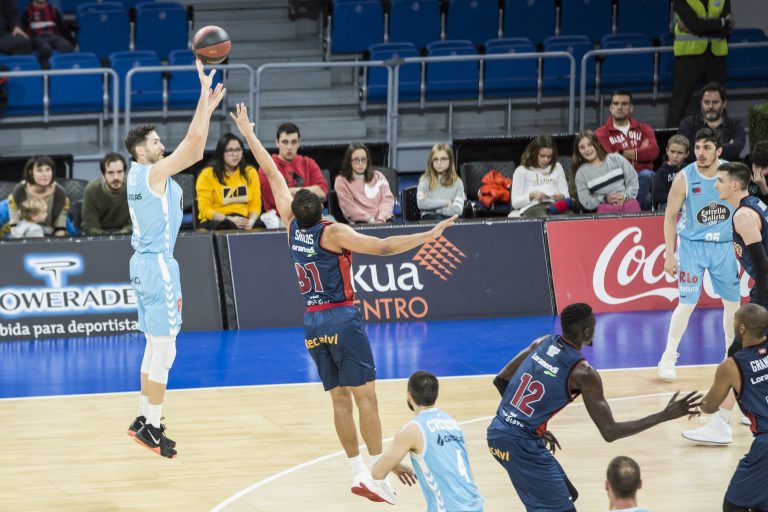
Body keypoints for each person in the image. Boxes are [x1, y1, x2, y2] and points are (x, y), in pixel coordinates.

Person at [230, 102, 456, 500]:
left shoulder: (288, 225)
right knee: (365, 395)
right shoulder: (331, 232)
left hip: (312, 322)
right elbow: (384, 248)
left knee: (339, 400)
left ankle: (357, 470)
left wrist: (249, 133)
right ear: (322, 212)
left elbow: (271, 172)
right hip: (340, 317)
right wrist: (429, 235)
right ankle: (377, 474)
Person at [487, 302, 700, 512]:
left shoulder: (542, 343)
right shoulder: (584, 373)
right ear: (587, 330)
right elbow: (610, 432)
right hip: (521, 444)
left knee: (568, 493)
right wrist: (664, 415)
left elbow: (501, 381)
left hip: (497, 431)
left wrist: (527, 422)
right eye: (594, 327)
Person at [124, 59, 224, 459]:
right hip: (158, 265)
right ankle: (151, 424)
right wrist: (204, 99)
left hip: (142, 264)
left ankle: (144, 419)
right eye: (154, 141)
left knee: (152, 346)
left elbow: (187, 146)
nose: (160, 144)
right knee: (166, 350)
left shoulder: (141, 175)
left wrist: (206, 106)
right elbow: (196, 147)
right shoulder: (151, 174)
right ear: (139, 150)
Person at [656, 128, 743, 445]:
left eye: (707, 147)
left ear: (719, 150)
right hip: (692, 247)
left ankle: (729, 357)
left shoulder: (730, 174)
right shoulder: (684, 177)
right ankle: (668, 357)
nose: (701, 152)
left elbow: (740, 208)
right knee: (687, 303)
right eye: (697, 147)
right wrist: (669, 252)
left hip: (722, 248)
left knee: (733, 307)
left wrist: (741, 243)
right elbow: (669, 215)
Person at [364, 370, 484, 509]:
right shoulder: (452, 423)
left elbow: (377, 472)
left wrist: (394, 465)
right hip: (475, 504)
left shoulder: (412, 429)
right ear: (436, 395)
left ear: (409, 396)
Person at [695, 303, 768, 512]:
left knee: (735, 504)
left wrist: (695, 404)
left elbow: (709, 406)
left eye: (734, 319)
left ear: (742, 328)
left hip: (766, 443)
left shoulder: (731, 366)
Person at [666, 0, 732, 128]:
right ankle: (667, 143)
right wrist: (720, 23)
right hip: (689, 57)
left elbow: (727, 27)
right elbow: (694, 24)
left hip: (716, 57)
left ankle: (721, 142)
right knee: (678, 105)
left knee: (718, 103)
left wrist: (699, 26)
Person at [595, 91, 660, 211]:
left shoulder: (644, 129)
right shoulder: (601, 133)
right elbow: (609, 160)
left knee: (645, 176)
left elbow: (653, 152)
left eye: (624, 104)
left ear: (631, 108)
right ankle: (636, 214)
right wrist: (639, 152)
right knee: (648, 198)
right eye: (616, 103)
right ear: (610, 108)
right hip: (618, 180)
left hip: (644, 177)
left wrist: (620, 152)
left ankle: (632, 212)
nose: (620, 107)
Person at [259, 122, 328, 228]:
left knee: (333, 226)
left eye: (293, 142)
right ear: (277, 143)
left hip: (311, 218)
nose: (289, 147)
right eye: (285, 142)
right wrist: (308, 193)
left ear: (299, 142)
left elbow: (322, 191)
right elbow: (274, 198)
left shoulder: (308, 163)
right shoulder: (267, 166)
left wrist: (291, 191)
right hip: (281, 218)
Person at [195, 132, 261, 231]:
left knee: (263, 225)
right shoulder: (207, 174)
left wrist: (251, 221)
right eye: (230, 150)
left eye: (238, 150)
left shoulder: (250, 172)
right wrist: (229, 219)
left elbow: (255, 204)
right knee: (228, 226)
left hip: (243, 218)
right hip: (218, 219)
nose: (235, 154)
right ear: (221, 153)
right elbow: (204, 210)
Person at [572, 131, 640, 214]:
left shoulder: (616, 158)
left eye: (590, 145)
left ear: (597, 143)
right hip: (604, 210)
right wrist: (604, 199)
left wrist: (625, 196)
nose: (587, 149)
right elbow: (586, 201)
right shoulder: (581, 174)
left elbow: (633, 180)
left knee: (633, 205)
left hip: (627, 203)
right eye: (582, 147)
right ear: (578, 151)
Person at [678, 82, 745, 164]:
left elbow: (735, 150)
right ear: (701, 103)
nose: (710, 106)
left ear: (724, 104)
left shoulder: (735, 125)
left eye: (715, 102)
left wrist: (701, 149)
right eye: (706, 102)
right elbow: (688, 153)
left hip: (727, 173)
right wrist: (725, 146)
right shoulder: (687, 124)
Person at [510, 134, 572, 217]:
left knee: (571, 217)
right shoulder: (521, 171)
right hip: (532, 207)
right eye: (542, 156)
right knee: (546, 218)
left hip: (554, 206)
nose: (546, 160)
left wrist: (560, 196)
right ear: (534, 153)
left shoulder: (557, 167)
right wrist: (531, 195)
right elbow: (515, 203)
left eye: (549, 157)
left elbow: (566, 195)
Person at [333, 142, 394, 224]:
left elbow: (387, 199)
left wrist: (381, 218)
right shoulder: (341, 181)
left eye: (363, 159)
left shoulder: (378, 176)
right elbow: (348, 207)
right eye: (356, 160)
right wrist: (369, 219)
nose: (360, 163)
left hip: (383, 220)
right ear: (350, 162)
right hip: (360, 223)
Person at [8, 155, 68, 236]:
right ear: (30, 172)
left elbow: (60, 229)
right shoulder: (19, 191)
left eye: (48, 169)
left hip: (51, 235)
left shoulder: (60, 193)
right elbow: (14, 227)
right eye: (39, 170)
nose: (45, 174)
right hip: (23, 235)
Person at [81, 152, 132, 235]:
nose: (116, 177)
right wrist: (106, 236)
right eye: (110, 173)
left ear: (124, 173)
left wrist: (122, 233)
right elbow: (90, 226)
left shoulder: (134, 188)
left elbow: (137, 223)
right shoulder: (91, 190)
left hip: (128, 237)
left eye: (119, 172)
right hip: (99, 239)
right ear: (103, 174)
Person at [417, 143, 465, 220]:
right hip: (430, 219)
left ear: (450, 160)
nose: (439, 163)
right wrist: (445, 203)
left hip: (450, 219)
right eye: (435, 159)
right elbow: (421, 203)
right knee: (438, 219)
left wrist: (432, 208)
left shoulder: (458, 182)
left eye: (443, 159)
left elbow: (458, 210)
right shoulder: (424, 181)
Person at [20, 0, 73, 69]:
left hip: (53, 36)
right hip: (36, 38)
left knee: (67, 46)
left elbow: (62, 27)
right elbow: (24, 29)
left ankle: (63, 71)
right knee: (45, 48)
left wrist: (72, 41)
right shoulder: (28, 11)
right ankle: (45, 74)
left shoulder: (53, 10)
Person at [653, 134, 690, 212]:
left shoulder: (688, 170)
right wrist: (678, 197)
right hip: (667, 204)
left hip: (687, 202)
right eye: (672, 152)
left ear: (686, 154)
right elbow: (657, 195)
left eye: (680, 153)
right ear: (667, 151)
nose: (675, 156)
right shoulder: (662, 171)